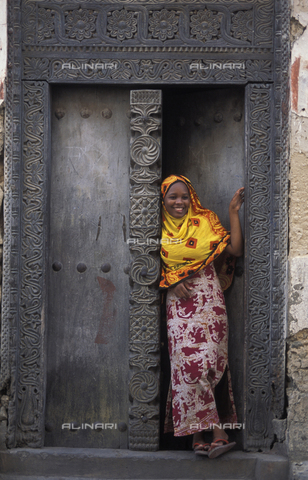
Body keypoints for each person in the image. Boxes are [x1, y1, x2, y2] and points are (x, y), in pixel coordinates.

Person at [160, 174, 244, 459]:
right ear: (164, 199)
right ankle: (210, 433)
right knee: (186, 368)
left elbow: (235, 249)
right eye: (173, 197)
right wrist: (171, 280)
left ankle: (203, 434)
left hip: (209, 299)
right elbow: (146, 263)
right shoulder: (155, 225)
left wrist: (233, 212)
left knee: (207, 364)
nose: (179, 202)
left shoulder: (205, 220)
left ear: (191, 198)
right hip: (178, 305)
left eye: (184, 196)